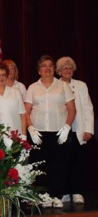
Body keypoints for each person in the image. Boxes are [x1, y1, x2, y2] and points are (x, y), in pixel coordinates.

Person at [24, 55, 76, 208]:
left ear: (54, 69)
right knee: (40, 166)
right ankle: (43, 196)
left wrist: (67, 127)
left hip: (59, 133)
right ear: (38, 70)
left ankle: (56, 195)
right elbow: (26, 111)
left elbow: (72, 109)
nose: (47, 68)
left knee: (59, 165)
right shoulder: (33, 87)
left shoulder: (63, 86)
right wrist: (30, 128)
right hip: (38, 133)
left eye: (50, 66)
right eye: (43, 66)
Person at [56, 56, 94, 204]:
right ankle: (64, 192)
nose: (68, 70)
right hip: (60, 130)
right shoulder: (55, 85)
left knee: (77, 162)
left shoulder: (81, 85)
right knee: (62, 162)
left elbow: (88, 107)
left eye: (70, 68)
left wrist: (89, 129)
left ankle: (77, 192)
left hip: (78, 129)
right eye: (64, 68)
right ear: (59, 71)